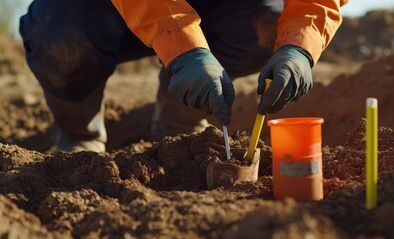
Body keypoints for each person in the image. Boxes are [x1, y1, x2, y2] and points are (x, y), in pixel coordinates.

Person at [19, 0, 348, 152]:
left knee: (266, 26)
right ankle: (79, 133)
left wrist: (300, 42)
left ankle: (179, 125)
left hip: (218, 8)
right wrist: (183, 48)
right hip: (98, 8)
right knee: (60, 34)